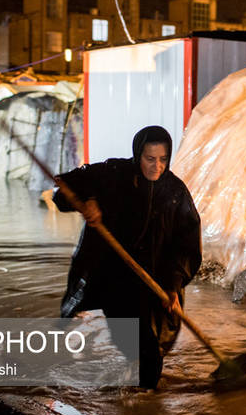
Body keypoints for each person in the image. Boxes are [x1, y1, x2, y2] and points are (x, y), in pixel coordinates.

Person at [53, 125, 202, 389]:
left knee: (150, 350)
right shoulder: (113, 174)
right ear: (137, 155)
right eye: (149, 159)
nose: (157, 166)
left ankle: (142, 412)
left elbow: (187, 244)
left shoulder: (175, 193)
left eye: (163, 159)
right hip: (114, 279)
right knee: (136, 349)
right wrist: (87, 201)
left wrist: (174, 284)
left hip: (154, 280)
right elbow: (63, 189)